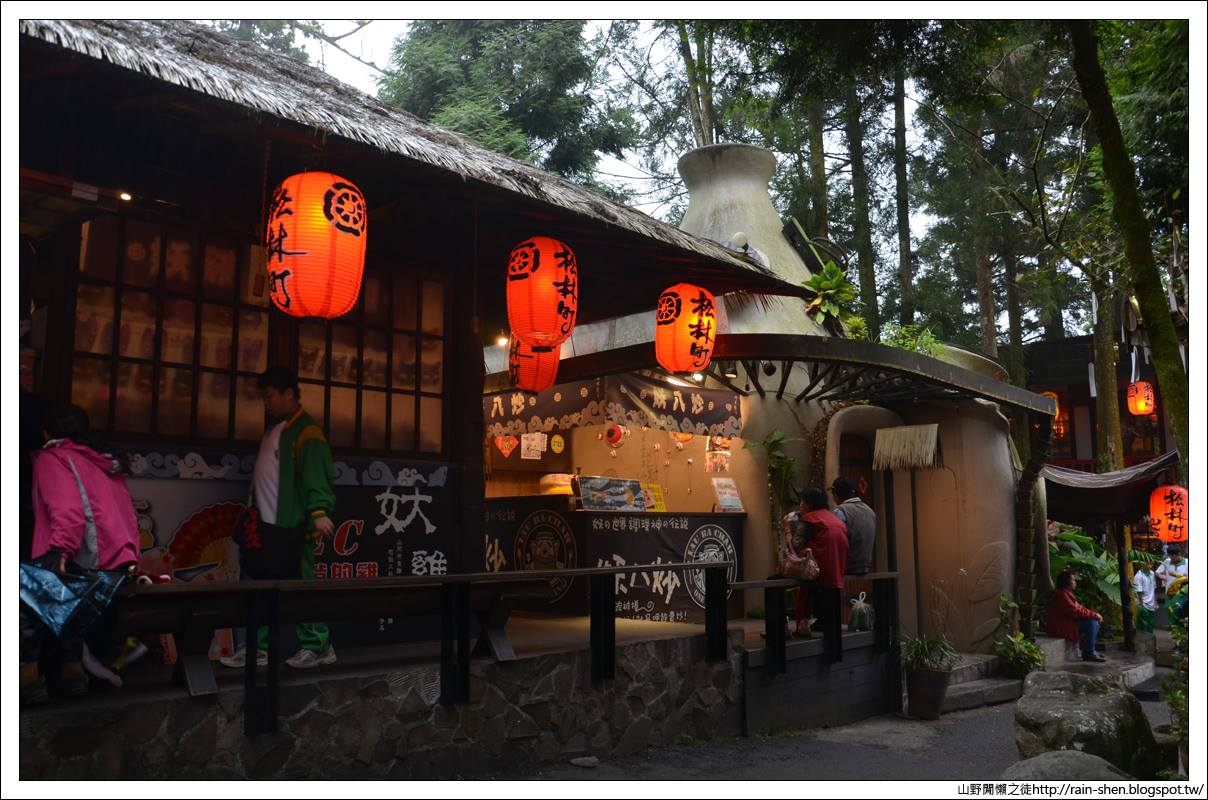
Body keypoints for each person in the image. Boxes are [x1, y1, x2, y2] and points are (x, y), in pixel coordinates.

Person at [22, 404, 141, 703]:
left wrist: (60, 551)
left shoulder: (53, 458)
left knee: (26, 602)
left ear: (46, 433)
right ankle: (72, 674)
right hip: (116, 563)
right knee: (59, 605)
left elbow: (68, 511)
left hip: (84, 557)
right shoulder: (102, 461)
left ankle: (27, 679)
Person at [221, 367, 337, 670]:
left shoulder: (306, 432)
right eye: (264, 397)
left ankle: (319, 645)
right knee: (261, 586)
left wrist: (319, 511)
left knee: (302, 586)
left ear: (288, 394)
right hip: (265, 528)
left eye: (270, 396)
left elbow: (315, 474)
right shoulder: (276, 429)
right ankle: (258, 648)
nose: (266, 403)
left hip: (293, 527)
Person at [788, 487, 850, 640]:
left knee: (773, 581)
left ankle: (779, 630)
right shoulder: (834, 518)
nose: (800, 506)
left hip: (818, 572)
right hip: (837, 570)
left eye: (802, 502)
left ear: (808, 504)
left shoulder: (809, 519)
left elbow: (795, 547)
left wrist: (786, 528)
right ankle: (805, 623)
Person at [1045, 571, 1105, 662]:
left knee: (1094, 622)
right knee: (1092, 623)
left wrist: (1094, 614)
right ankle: (1088, 652)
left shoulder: (1066, 594)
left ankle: (1089, 650)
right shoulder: (1062, 595)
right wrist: (1095, 615)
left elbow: (1079, 608)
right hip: (1060, 627)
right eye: (1073, 580)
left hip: (1067, 623)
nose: (1075, 582)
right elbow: (1075, 612)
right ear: (1066, 582)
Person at [829, 476, 875, 576]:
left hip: (846, 567)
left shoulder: (840, 511)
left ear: (836, 494)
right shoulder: (869, 511)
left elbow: (835, 541)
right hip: (864, 566)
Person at [1132, 560, 1159, 633]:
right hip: (1143, 604)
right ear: (1142, 563)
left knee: (1150, 624)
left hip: (1151, 604)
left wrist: (1155, 600)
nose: (1150, 566)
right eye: (1148, 563)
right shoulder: (1138, 576)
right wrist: (1141, 604)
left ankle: (1150, 638)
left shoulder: (1152, 573)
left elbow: (1153, 588)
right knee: (1143, 625)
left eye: (1152, 564)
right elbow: (1139, 592)